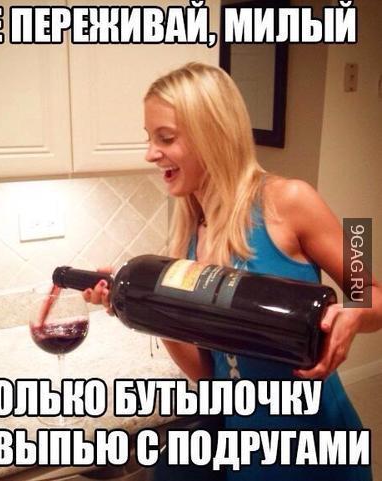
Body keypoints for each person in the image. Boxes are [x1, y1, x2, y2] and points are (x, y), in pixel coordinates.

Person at [83, 62, 380, 480]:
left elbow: (372, 288)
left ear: (213, 132)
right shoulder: (187, 238)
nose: (150, 153)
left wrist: (355, 314)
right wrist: (145, 310)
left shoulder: (293, 198)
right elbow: (210, 375)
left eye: (165, 138)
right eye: (149, 138)